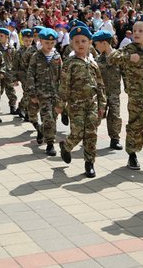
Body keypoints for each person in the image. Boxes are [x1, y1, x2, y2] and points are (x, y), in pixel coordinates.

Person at [106, 14, 143, 170]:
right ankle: (132, 156)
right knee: (135, 127)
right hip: (136, 96)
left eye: (141, 30)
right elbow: (111, 58)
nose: (137, 33)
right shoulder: (129, 48)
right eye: (134, 30)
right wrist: (128, 57)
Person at [57, 26, 106, 178]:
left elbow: (100, 85)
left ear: (90, 42)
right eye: (77, 41)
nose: (80, 44)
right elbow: (64, 85)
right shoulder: (69, 63)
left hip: (92, 104)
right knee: (77, 133)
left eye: (84, 41)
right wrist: (60, 105)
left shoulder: (93, 62)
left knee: (91, 133)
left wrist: (102, 104)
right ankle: (66, 146)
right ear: (72, 43)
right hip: (75, 104)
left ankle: (89, 163)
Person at [26, 28, 62, 156]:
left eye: (52, 43)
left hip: (55, 93)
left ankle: (41, 130)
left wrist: (62, 93)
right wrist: (32, 93)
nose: (49, 45)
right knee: (49, 119)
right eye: (47, 43)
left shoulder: (57, 56)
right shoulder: (36, 56)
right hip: (41, 94)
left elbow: (61, 75)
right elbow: (30, 74)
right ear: (41, 41)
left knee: (53, 118)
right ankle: (50, 144)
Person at [92, 30, 123, 150]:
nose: (95, 47)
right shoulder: (97, 60)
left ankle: (115, 139)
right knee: (96, 116)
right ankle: (90, 138)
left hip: (114, 93)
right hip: (101, 94)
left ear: (104, 43)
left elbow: (125, 74)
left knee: (115, 116)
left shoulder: (119, 57)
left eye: (96, 44)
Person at [13, 29, 34, 119]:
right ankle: (24, 109)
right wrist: (14, 79)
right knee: (28, 92)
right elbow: (15, 66)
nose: (28, 42)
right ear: (22, 40)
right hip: (23, 74)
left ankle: (22, 107)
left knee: (30, 93)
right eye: (26, 40)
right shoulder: (19, 51)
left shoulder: (35, 50)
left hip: (32, 75)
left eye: (30, 40)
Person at [0, 27, 18, 115]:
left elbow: (15, 60)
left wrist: (15, 75)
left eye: (1, 36)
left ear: (7, 37)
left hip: (9, 72)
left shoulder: (11, 48)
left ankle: (13, 107)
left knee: (11, 91)